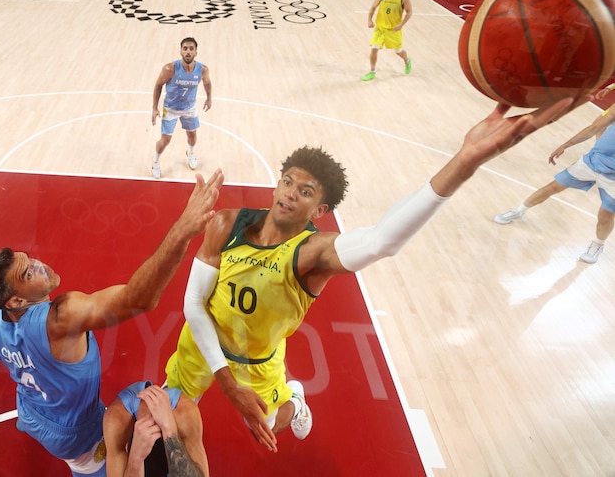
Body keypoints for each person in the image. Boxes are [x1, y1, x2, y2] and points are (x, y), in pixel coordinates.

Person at [163, 97, 589, 452]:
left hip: (258, 362)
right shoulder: (227, 224)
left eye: (306, 192)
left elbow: (383, 240)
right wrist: (226, 383)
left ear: (321, 210)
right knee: (167, 421)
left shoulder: (311, 254)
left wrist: (465, 161)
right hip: (200, 348)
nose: (290, 193)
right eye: (287, 182)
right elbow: (193, 306)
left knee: (269, 425)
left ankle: (295, 399)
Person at [0, 170, 224, 474]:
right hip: (78, 432)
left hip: (32, 414)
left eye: (29, 259)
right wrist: (182, 230)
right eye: (28, 273)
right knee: (112, 460)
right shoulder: (61, 317)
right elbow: (140, 298)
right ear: (17, 301)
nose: (40, 264)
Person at [493, 103, 615, 264]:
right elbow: (595, 127)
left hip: (612, 176)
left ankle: (598, 244)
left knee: (606, 214)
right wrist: (567, 144)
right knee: (554, 186)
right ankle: (519, 211)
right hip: (592, 161)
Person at [103, 381, 208, 477]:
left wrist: (135, 459)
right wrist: (169, 429)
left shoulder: (116, 418)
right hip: (173, 412)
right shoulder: (184, 412)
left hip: (130, 416)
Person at [151, 37, 213, 180]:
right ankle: (155, 161)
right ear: (180, 51)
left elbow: (207, 83)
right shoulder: (170, 69)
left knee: (192, 136)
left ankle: (190, 153)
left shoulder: (202, 70)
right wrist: (154, 108)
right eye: (185, 48)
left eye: (191, 49)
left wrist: (209, 98)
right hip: (170, 109)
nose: (188, 52)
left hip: (189, 108)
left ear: (196, 52)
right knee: (165, 140)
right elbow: (158, 85)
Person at [361, 0, 413, 81]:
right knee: (374, 49)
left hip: (394, 30)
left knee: (398, 51)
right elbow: (372, 7)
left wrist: (401, 24)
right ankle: (372, 72)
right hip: (380, 29)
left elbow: (409, 12)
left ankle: (407, 61)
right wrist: (369, 20)